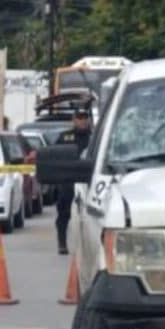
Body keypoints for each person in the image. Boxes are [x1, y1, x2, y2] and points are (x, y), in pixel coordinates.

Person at [54, 107, 93, 255]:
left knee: (92, 215)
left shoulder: (95, 137)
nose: (82, 120)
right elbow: (54, 156)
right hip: (69, 179)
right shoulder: (65, 137)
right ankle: (62, 242)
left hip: (89, 180)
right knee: (64, 212)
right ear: (74, 119)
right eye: (79, 117)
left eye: (85, 117)